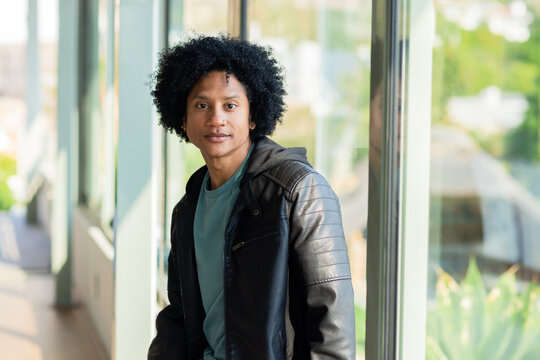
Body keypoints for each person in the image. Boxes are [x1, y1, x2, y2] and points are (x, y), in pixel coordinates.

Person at [147, 34, 355, 360]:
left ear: (252, 116)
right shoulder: (186, 210)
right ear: (183, 120)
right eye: (202, 105)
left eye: (231, 105)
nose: (216, 118)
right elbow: (180, 314)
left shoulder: (299, 190)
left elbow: (332, 326)